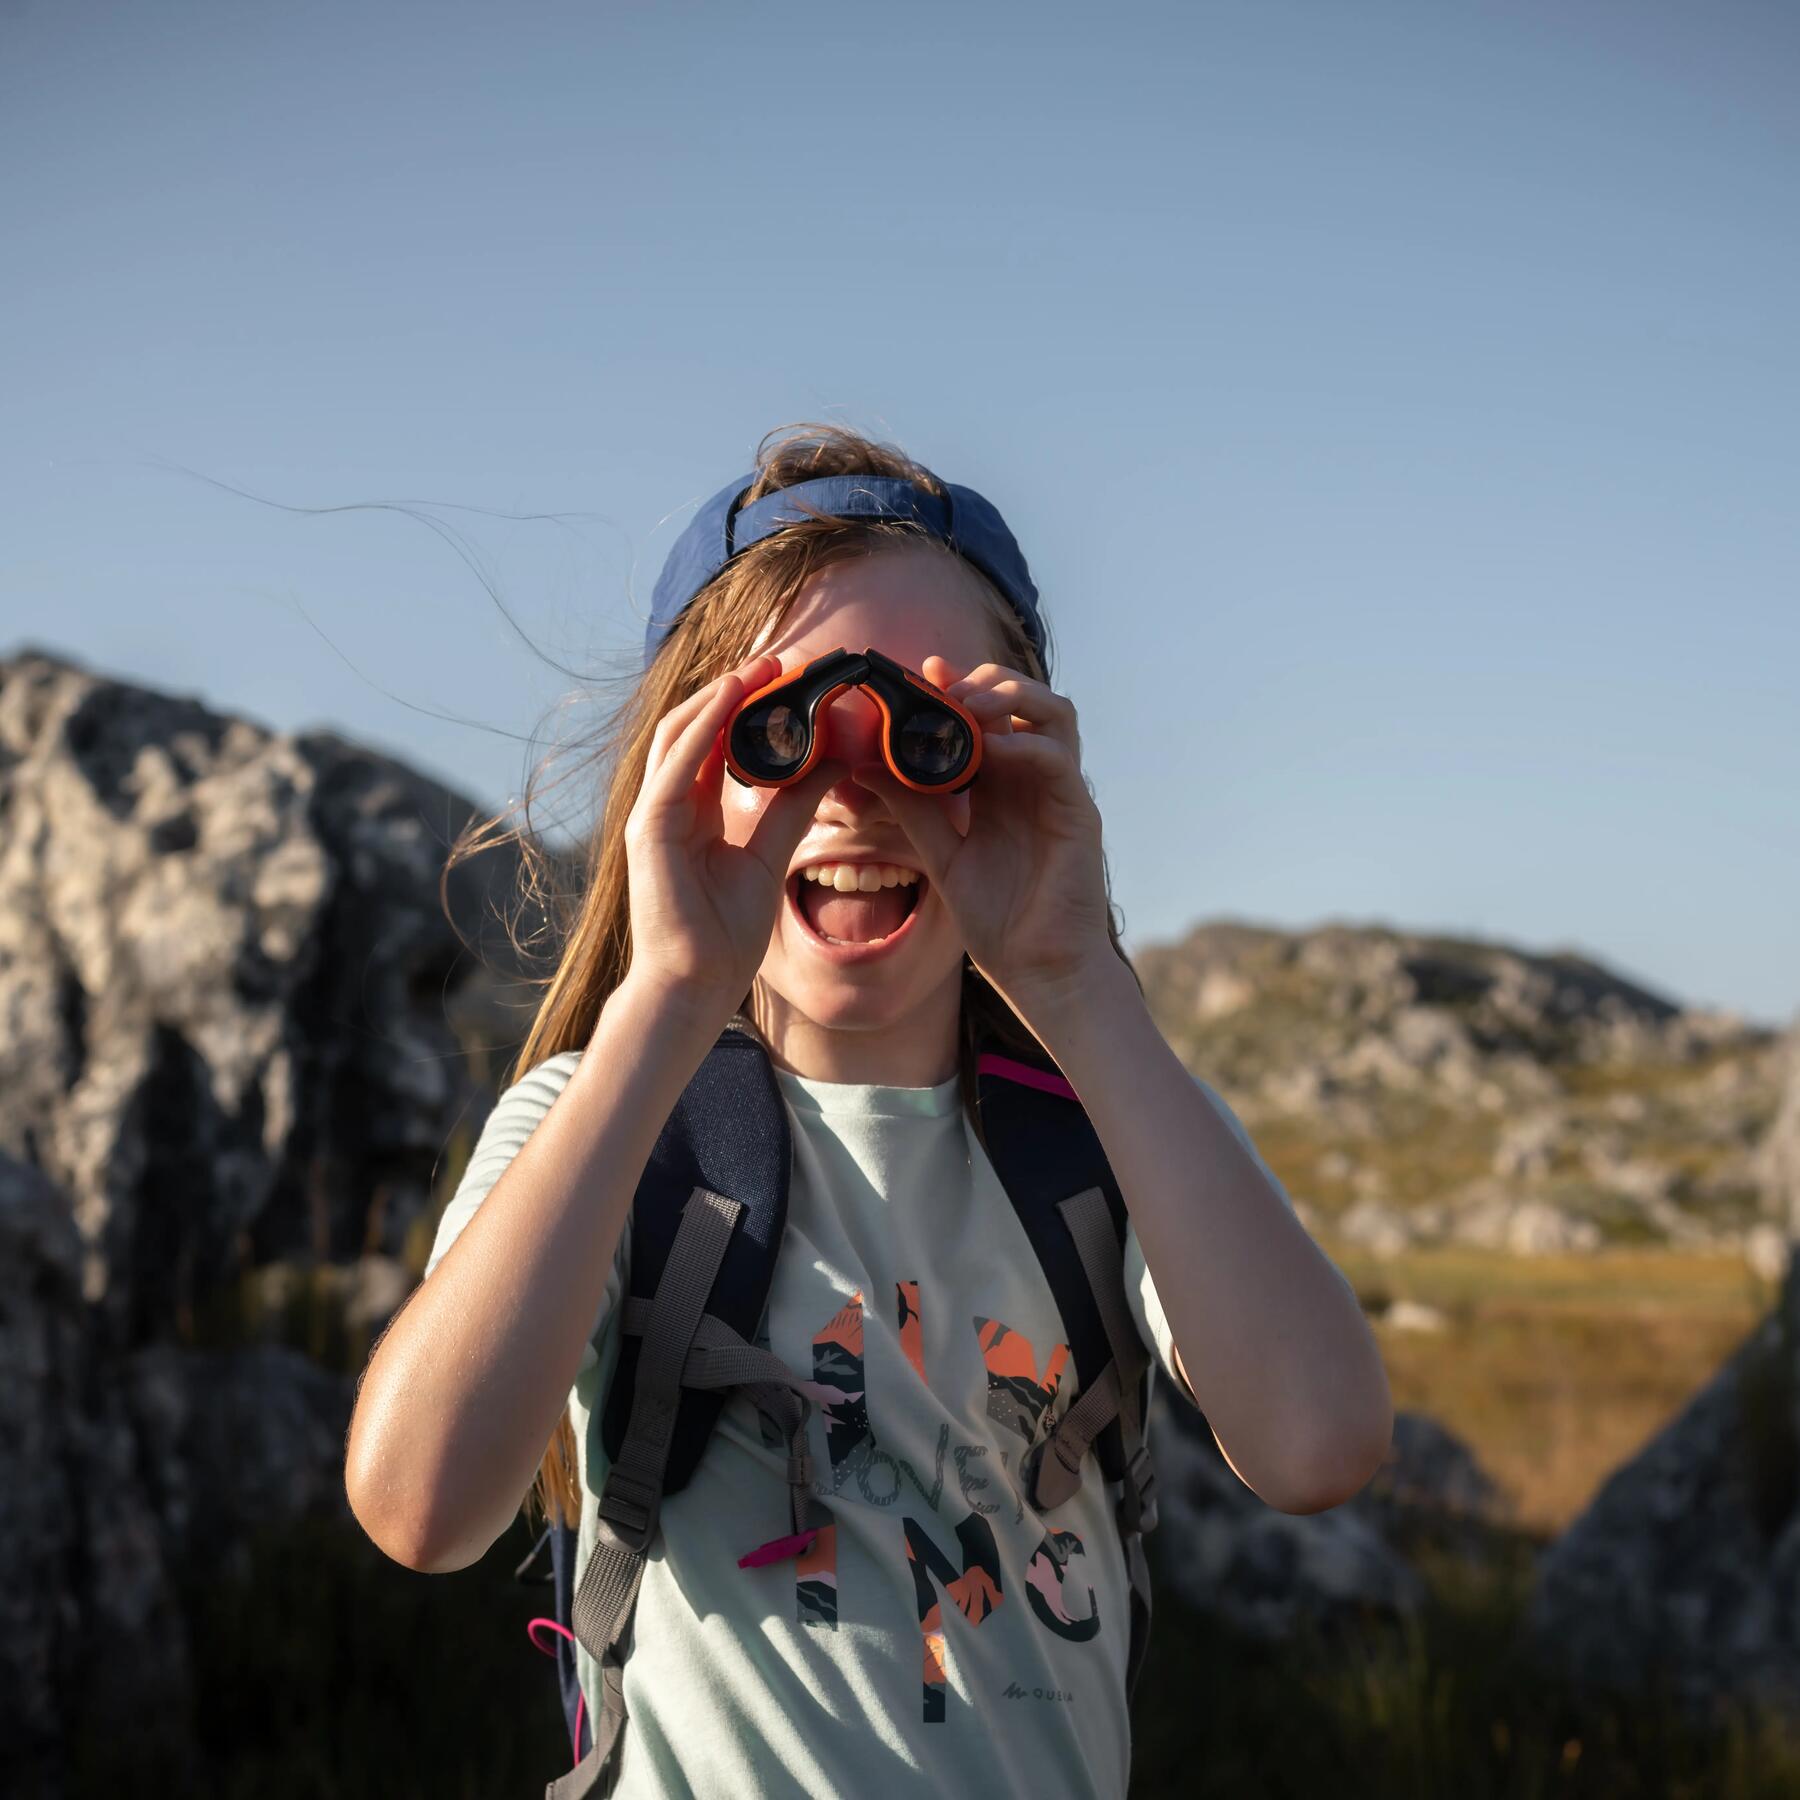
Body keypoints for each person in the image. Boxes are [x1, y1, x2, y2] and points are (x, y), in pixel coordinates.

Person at [345, 422, 1393, 1798]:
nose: (852, 793)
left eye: (925, 733)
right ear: (678, 774)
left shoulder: (1119, 1128)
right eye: (771, 733)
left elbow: (1320, 1441)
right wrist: (664, 994)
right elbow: (421, 1507)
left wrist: (1078, 986)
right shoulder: (599, 1130)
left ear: (1016, 760)